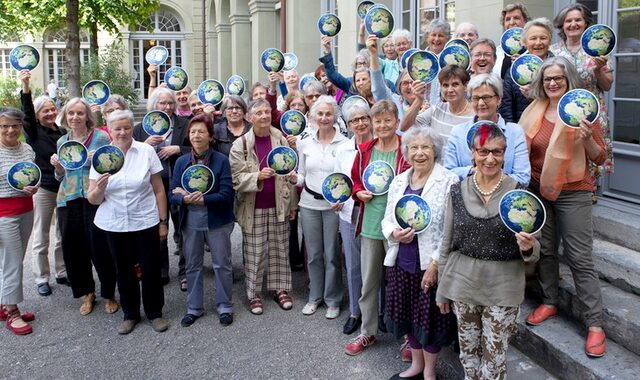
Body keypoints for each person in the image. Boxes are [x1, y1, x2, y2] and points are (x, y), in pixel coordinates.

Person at [519, 56, 608, 357]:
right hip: (538, 189)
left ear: (569, 79)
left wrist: (586, 140)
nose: (553, 83)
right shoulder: (534, 110)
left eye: (558, 78)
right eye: (548, 79)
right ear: (541, 83)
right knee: (545, 250)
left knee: (580, 257)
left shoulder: (582, 111)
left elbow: (599, 157)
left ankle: (595, 324)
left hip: (573, 191)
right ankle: (549, 301)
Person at [436, 122, 539, 379]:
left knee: (494, 362)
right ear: (472, 152)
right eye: (483, 152)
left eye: (497, 152)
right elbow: (447, 242)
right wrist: (442, 289)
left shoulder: (519, 194)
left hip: (502, 287)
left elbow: (536, 250)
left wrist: (527, 247)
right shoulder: (457, 190)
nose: (490, 159)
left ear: (505, 154)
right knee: (468, 356)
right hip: (463, 285)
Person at [382, 127, 459, 380]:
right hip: (402, 260)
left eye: (425, 147)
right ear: (406, 152)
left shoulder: (448, 181)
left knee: (430, 321)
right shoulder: (399, 181)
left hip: (430, 263)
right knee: (407, 316)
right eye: (414, 147)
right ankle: (416, 365)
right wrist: (394, 233)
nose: (419, 153)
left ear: (435, 151)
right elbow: (386, 219)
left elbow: (452, 228)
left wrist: (436, 264)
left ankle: (429, 372)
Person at [87, 110, 168, 334]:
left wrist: (163, 222)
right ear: (109, 130)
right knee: (123, 270)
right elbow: (92, 199)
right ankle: (130, 313)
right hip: (113, 222)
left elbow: (159, 190)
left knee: (150, 267)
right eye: (117, 128)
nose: (122, 132)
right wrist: (99, 189)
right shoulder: (101, 157)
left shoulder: (146, 151)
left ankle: (155, 313)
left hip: (144, 220)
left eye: (127, 128)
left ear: (133, 128)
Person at [345, 100, 411, 356]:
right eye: (378, 121)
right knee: (369, 283)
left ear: (396, 121)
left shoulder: (406, 150)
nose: (382, 125)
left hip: (398, 227)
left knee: (400, 284)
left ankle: (408, 337)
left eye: (387, 120)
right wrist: (358, 192)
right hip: (371, 224)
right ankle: (368, 331)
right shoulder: (364, 151)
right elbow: (355, 182)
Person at [228, 99, 297, 315]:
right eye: (259, 112)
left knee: (279, 249)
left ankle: (280, 289)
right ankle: (253, 294)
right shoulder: (241, 145)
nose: (264, 116)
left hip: (279, 204)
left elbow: (288, 175)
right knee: (255, 252)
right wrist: (257, 175)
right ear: (249, 117)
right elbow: (236, 179)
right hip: (253, 206)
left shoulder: (281, 139)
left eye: (267, 112)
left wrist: (292, 204)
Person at [50, 98, 118, 316]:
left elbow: (112, 165)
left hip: (94, 197)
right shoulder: (63, 142)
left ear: (88, 116)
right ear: (65, 116)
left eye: (80, 113)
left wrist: (94, 160)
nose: (75, 117)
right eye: (71, 113)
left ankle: (109, 293)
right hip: (68, 199)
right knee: (73, 249)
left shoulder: (101, 137)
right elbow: (60, 176)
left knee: (101, 247)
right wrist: (59, 167)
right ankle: (87, 293)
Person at [170, 114, 235, 327]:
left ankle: (225, 306)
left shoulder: (221, 161)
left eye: (201, 131)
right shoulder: (181, 162)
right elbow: (172, 193)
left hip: (217, 219)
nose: (196, 135)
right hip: (190, 221)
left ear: (210, 136)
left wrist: (202, 199)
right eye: (192, 131)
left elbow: (226, 194)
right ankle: (194, 308)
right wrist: (182, 198)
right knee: (193, 264)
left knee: (221, 264)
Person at [294, 96, 349, 318]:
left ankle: (333, 299)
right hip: (309, 203)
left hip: (334, 206)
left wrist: (343, 199)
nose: (324, 117)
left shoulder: (345, 144)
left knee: (332, 254)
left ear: (335, 116)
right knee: (314, 255)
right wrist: (292, 178)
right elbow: (301, 176)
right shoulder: (304, 143)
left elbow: (347, 178)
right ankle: (314, 296)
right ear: (313, 116)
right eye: (320, 114)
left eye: (328, 113)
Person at [133, 87, 190, 285]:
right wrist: (145, 145)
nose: (167, 107)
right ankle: (161, 271)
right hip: (153, 187)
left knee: (183, 228)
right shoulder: (141, 128)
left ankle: (185, 272)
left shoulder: (185, 124)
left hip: (178, 183)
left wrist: (179, 149)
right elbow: (130, 155)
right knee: (158, 228)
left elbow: (199, 147)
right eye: (163, 103)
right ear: (154, 105)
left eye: (170, 103)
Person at [19, 70, 68, 297]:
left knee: (61, 232)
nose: (50, 113)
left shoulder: (63, 132)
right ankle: (41, 278)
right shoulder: (33, 131)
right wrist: (26, 85)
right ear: (38, 115)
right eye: (45, 110)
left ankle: (61, 271)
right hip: (45, 188)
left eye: (52, 109)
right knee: (41, 234)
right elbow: (26, 113)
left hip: (64, 187)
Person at [551, 3, 614, 178]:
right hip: (564, 112)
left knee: (591, 151)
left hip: (592, 111)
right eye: (568, 21)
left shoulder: (597, 49)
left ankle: (589, 191)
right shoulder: (553, 51)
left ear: (586, 23)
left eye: (578, 20)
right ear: (562, 25)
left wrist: (598, 69)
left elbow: (607, 85)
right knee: (567, 153)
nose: (573, 24)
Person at [444, 73, 531, 186]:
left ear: (499, 99)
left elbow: (523, 178)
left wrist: (490, 177)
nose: (481, 103)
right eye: (476, 98)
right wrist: (472, 171)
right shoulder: (458, 132)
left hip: (502, 198)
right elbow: (448, 172)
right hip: (467, 198)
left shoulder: (515, 132)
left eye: (486, 97)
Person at [335, 101, 374, 335]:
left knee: (375, 266)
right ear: (348, 125)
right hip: (350, 213)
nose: (360, 123)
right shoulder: (343, 150)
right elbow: (338, 180)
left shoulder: (381, 146)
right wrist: (336, 199)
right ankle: (355, 312)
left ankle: (377, 312)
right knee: (353, 265)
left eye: (363, 118)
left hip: (375, 214)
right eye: (354, 120)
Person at [0, 107, 39, 335]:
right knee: (12, 262)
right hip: (3, 213)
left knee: (13, 260)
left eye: (15, 125)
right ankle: (12, 312)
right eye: (4, 126)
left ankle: (5, 303)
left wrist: (34, 187)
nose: (10, 130)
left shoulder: (26, 150)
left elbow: (32, 176)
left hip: (26, 209)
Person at [500, 18, 555, 123]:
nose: (538, 43)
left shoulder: (560, 67)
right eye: (533, 38)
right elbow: (506, 107)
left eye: (543, 38)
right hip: (522, 129)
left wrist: (536, 97)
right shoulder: (514, 70)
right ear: (524, 42)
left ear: (550, 40)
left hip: (551, 126)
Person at [414, 65, 474, 141]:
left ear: (465, 86)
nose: (450, 90)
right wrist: (418, 99)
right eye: (445, 85)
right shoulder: (435, 110)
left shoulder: (475, 116)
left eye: (455, 84)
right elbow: (405, 126)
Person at [494, 3, 531, 79]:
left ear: (525, 21)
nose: (511, 22)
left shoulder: (534, 48)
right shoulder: (497, 52)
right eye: (507, 19)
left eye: (516, 18)